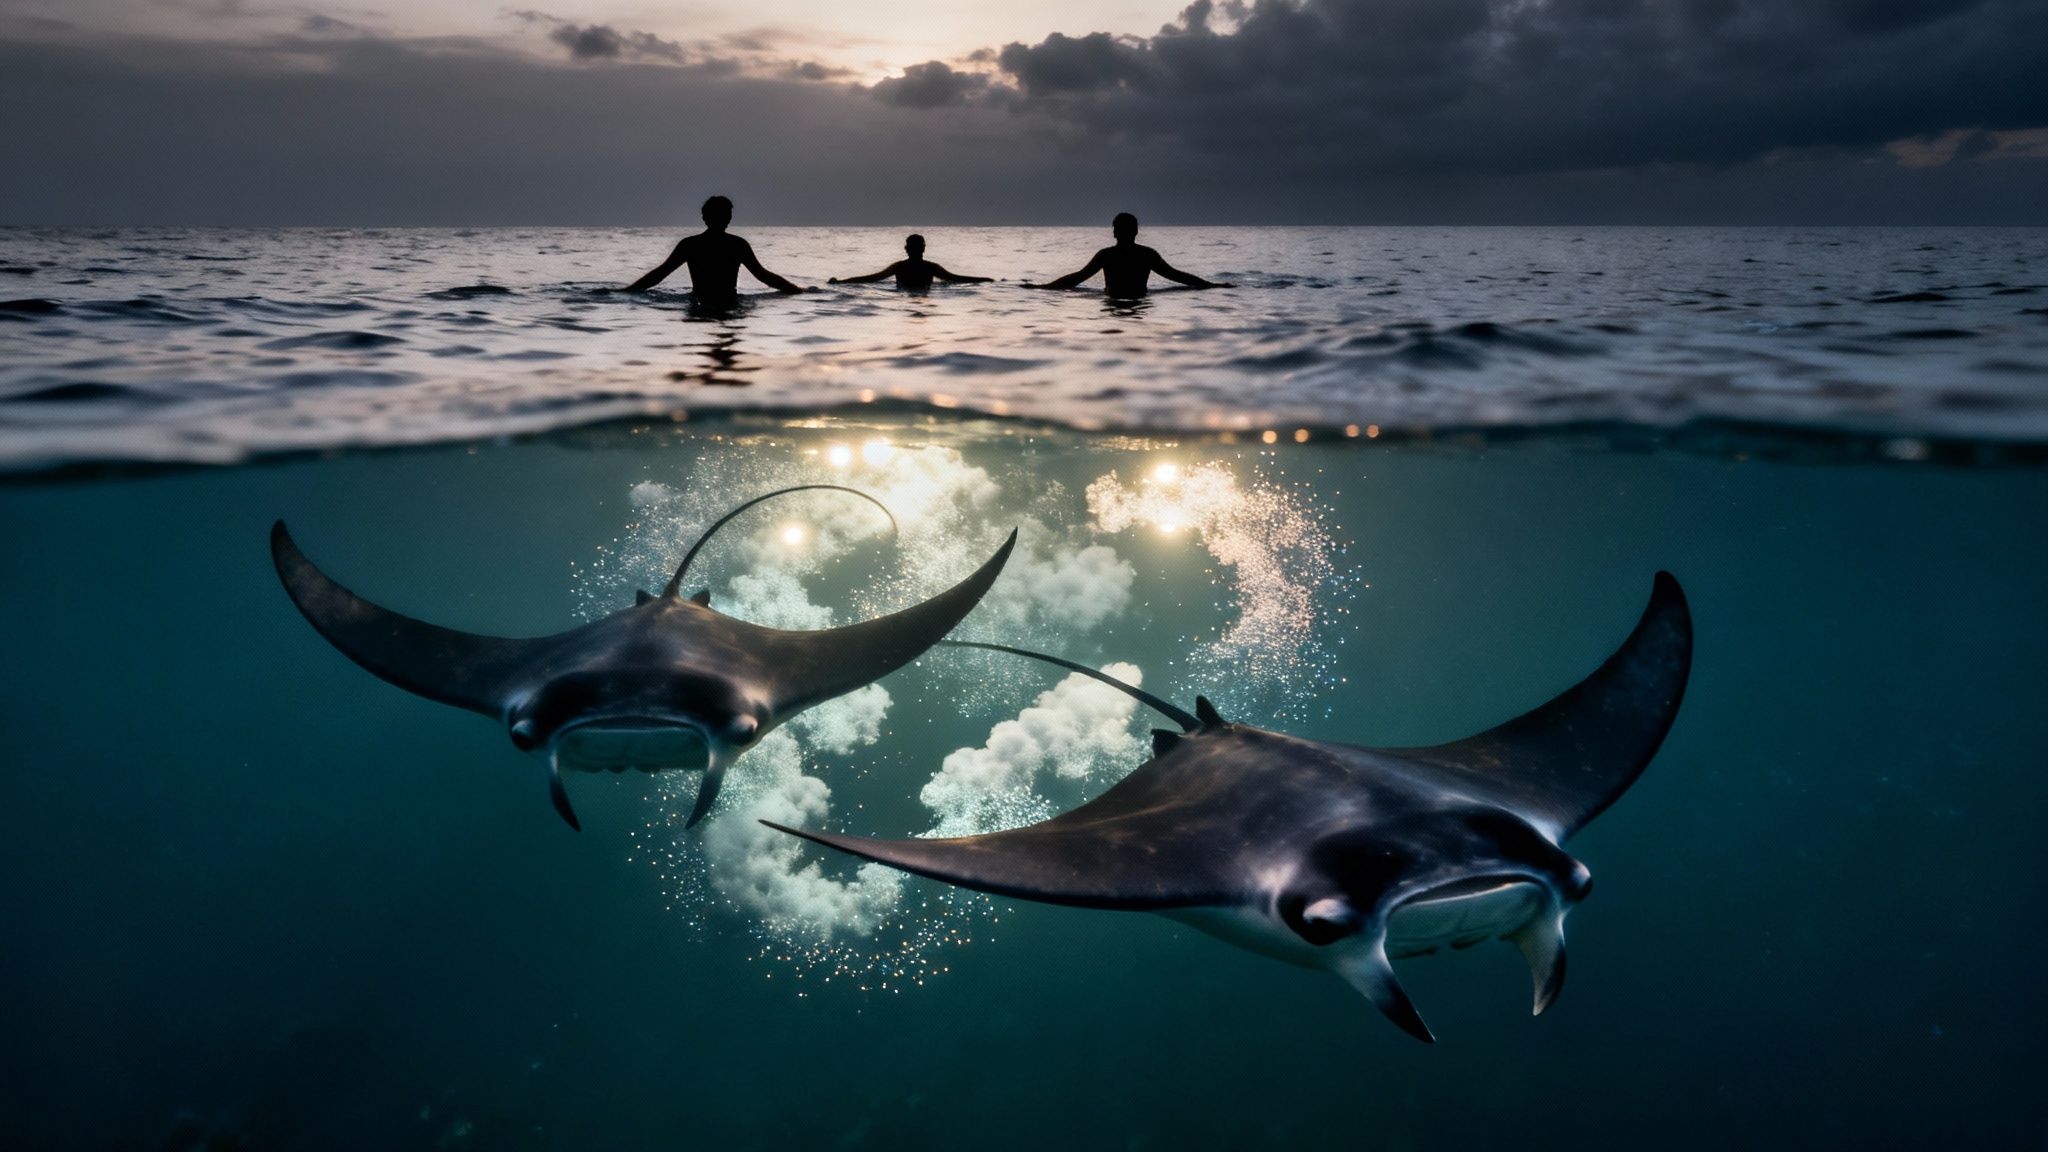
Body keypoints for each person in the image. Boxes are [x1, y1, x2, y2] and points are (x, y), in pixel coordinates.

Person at [623, 195, 810, 303]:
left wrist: (627, 292)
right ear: (706, 218)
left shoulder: (693, 244)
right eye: (722, 215)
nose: (725, 219)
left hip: (700, 303)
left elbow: (659, 274)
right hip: (729, 303)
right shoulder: (733, 244)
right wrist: (796, 290)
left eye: (726, 215)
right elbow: (763, 276)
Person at [1026, 213, 1228, 297]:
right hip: (1140, 301)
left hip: (1113, 300)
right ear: (1136, 232)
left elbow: (1076, 279)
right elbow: (1179, 277)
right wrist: (1212, 286)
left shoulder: (1108, 255)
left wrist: (1041, 288)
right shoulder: (1146, 254)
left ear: (1115, 232)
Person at [829, 234, 993, 291]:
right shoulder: (930, 268)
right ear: (923, 249)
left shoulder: (900, 267)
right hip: (924, 295)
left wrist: (841, 283)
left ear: (906, 249)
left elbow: (873, 279)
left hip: (902, 298)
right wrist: (985, 280)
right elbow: (956, 279)